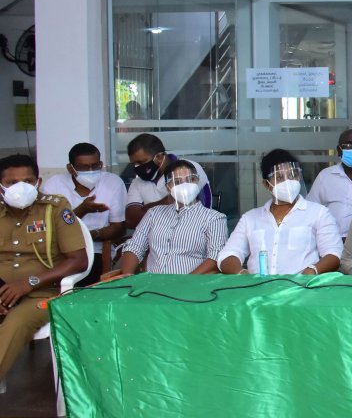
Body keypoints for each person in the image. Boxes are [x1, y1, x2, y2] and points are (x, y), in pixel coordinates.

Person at [0, 154, 89, 384]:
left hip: (44, 293)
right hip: (2, 291)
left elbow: (79, 260)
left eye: (28, 181)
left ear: (38, 182)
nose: (21, 187)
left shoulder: (55, 208)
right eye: (11, 183)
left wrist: (28, 283)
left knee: (16, 323)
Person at [218, 149, 341, 275]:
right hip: (258, 289)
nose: (288, 182)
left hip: (302, 289)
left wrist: (312, 271)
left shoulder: (319, 213)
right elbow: (227, 255)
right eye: (280, 177)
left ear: (299, 177)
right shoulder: (249, 219)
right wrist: (242, 274)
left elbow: (334, 254)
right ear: (266, 184)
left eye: (293, 175)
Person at [119, 160, 228, 275]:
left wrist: (183, 282)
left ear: (198, 181)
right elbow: (135, 247)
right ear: (168, 187)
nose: (185, 185)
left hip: (191, 286)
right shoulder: (153, 214)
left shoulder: (214, 218)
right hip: (151, 286)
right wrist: (128, 277)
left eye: (191, 179)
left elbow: (215, 257)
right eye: (177, 182)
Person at [41, 142, 127, 284]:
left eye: (95, 165)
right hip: (61, 252)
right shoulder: (54, 185)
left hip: (97, 251)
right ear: (71, 168)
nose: (91, 170)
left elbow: (118, 228)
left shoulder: (113, 182)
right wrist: (82, 210)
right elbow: (51, 229)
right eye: (84, 167)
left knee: (89, 277)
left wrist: (90, 236)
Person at [125, 133, 211, 229]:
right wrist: (168, 200)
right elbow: (131, 221)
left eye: (141, 162)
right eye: (134, 164)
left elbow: (191, 212)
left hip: (192, 233)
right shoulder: (137, 182)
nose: (137, 167)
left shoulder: (187, 168)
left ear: (159, 157)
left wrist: (147, 210)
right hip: (153, 238)